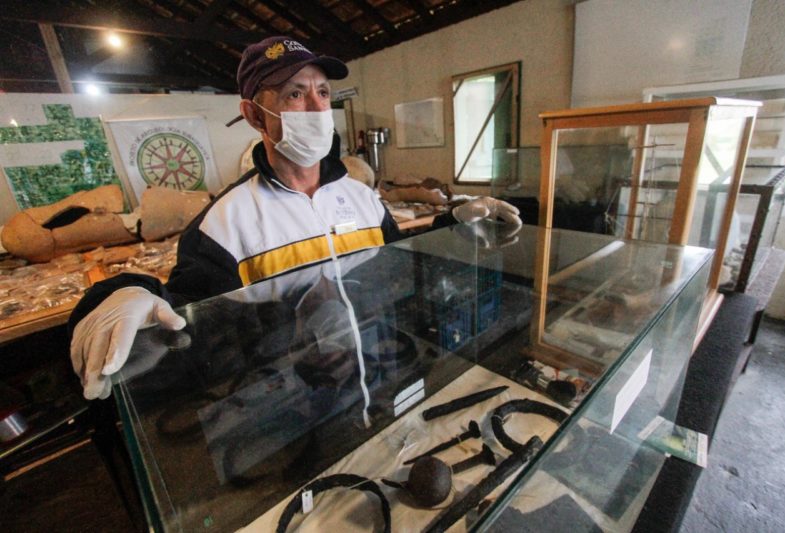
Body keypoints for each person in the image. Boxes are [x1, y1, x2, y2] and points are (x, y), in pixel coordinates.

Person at [68, 36, 522, 401]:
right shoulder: (222, 226)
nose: (316, 107)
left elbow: (402, 266)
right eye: (294, 94)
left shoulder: (361, 196)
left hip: (383, 370)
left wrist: (454, 230)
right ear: (254, 115)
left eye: (322, 92)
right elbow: (183, 319)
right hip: (296, 398)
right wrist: (122, 293)